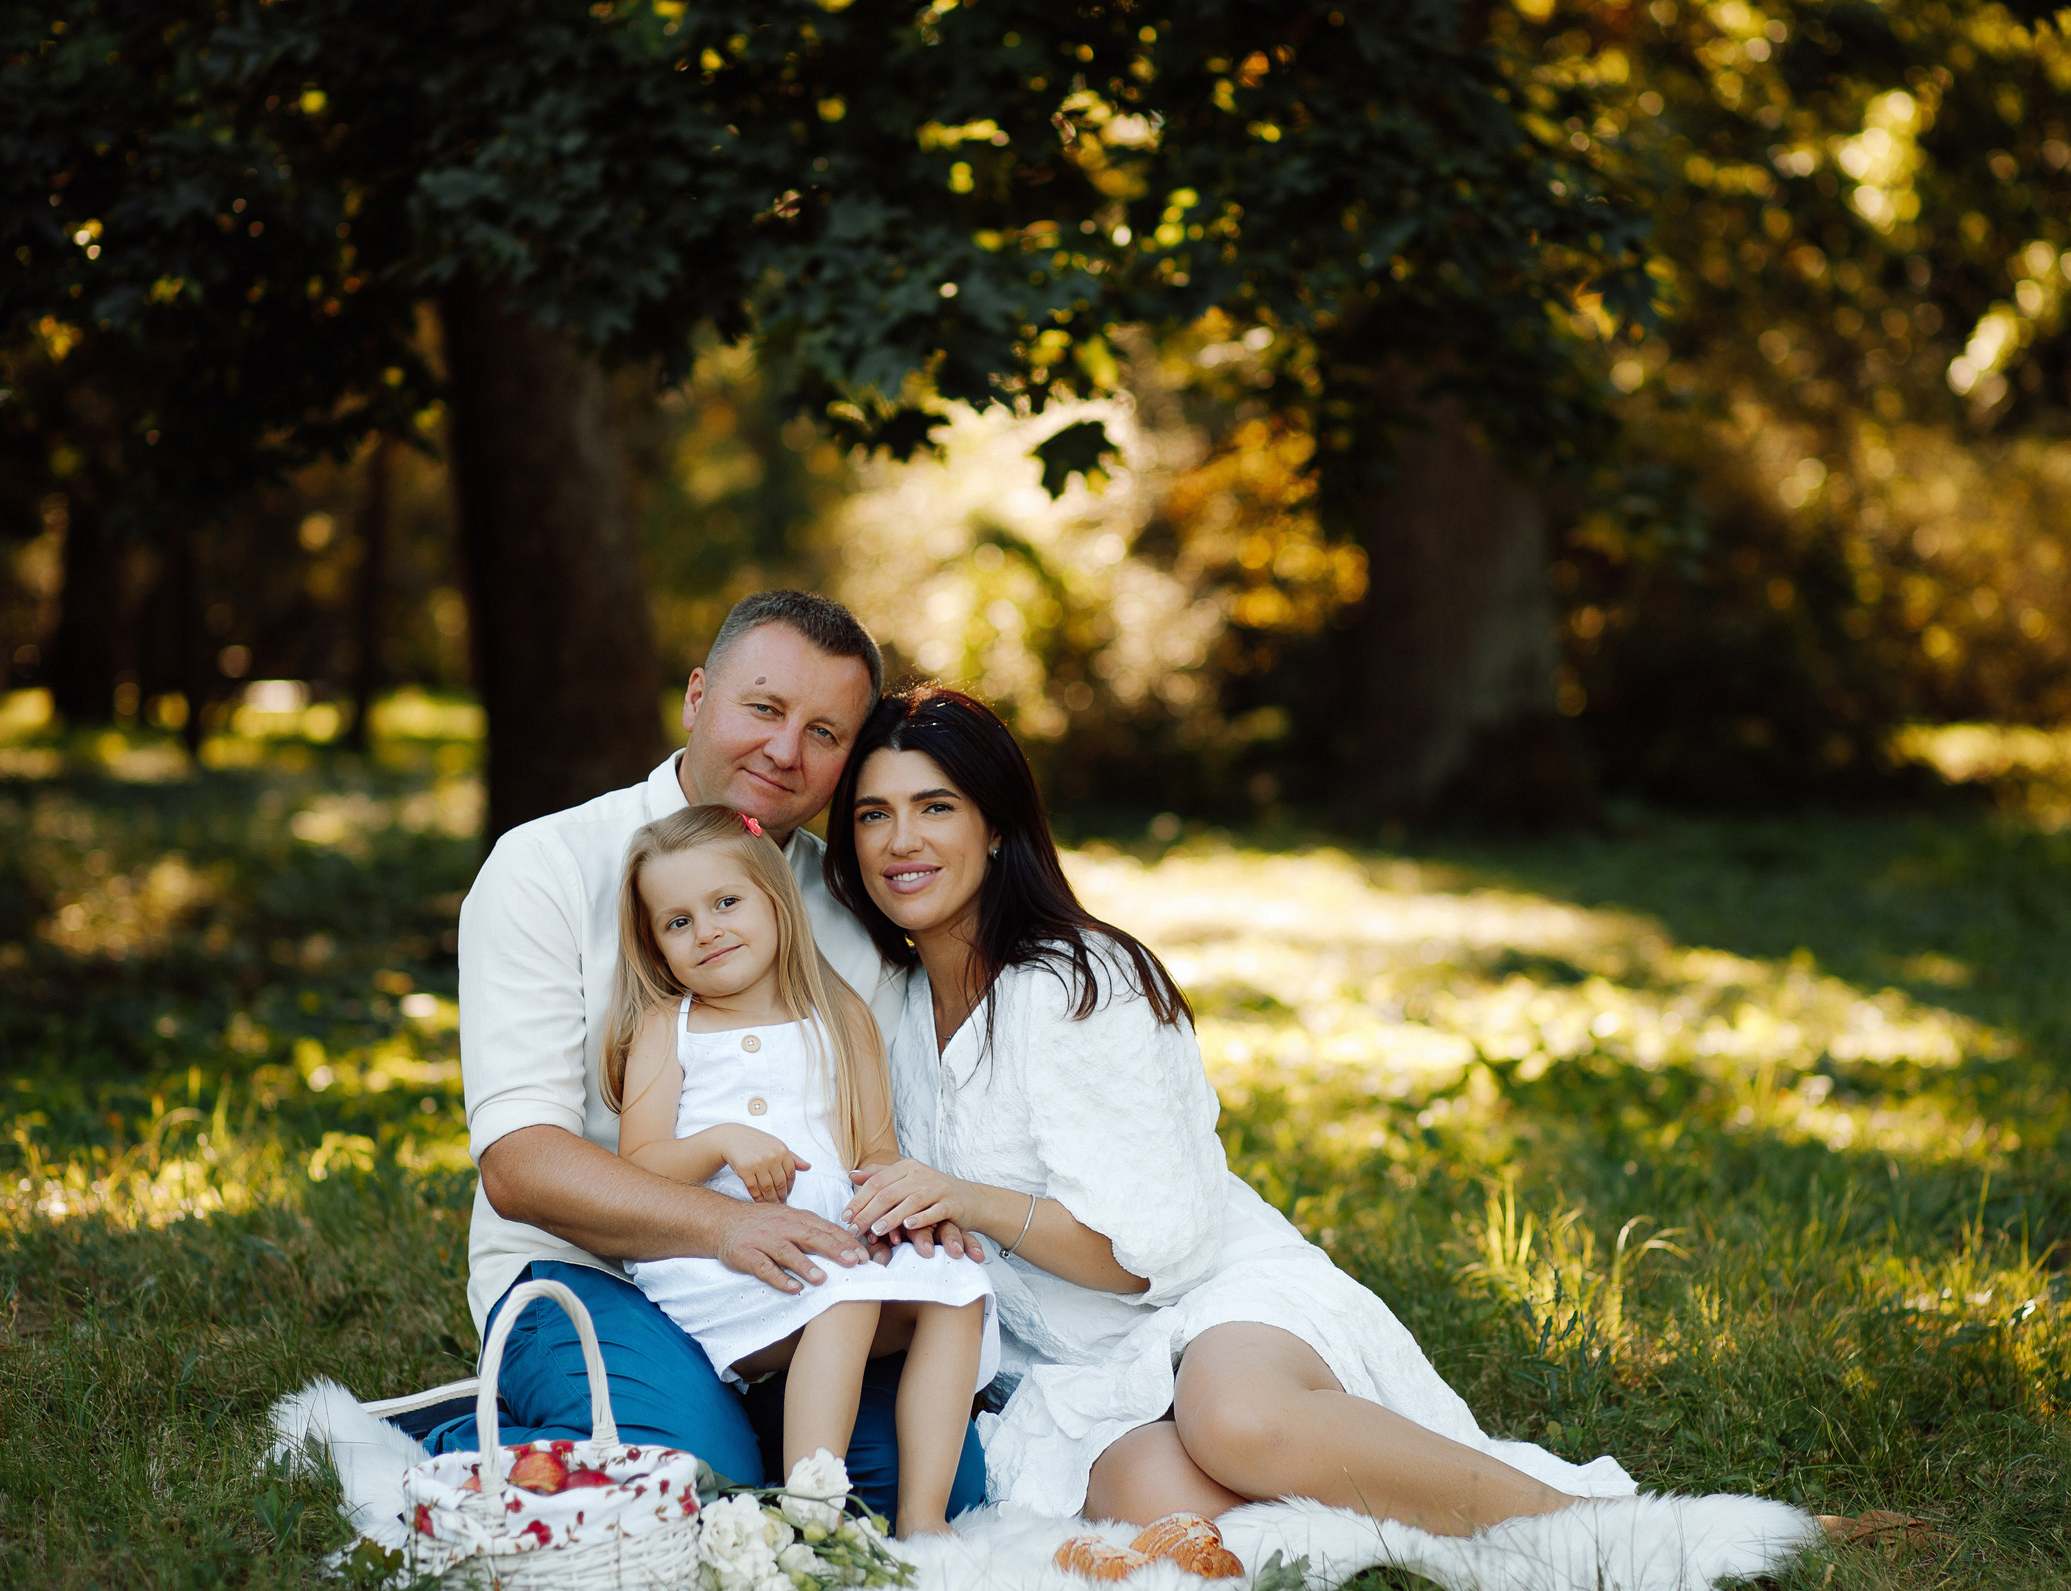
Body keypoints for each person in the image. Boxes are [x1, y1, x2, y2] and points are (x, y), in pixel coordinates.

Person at [827, 684, 1642, 1538]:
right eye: (873, 814)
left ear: (996, 826)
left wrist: (962, 1197)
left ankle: (1581, 1526)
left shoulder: (1080, 985)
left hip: (1212, 1295)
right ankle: (1404, 1509)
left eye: (935, 806)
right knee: (1152, 1496)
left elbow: (1150, 1255)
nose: (902, 840)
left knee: (1236, 1420)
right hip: (1079, 1363)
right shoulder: (890, 1014)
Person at [438, 591, 989, 1524]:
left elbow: (878, 1118)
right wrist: (723, 1225)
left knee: (926, 1488)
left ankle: (728, 1422)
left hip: (806, 1282)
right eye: (763, 709)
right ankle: (465, 1442)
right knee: (696, 1482)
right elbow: (520, 1166)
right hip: (590, 1272)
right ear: (698, 697)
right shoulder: (547, 864)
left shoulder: (851, 914)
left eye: (824, 731)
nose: (785, 751)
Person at [609, 804, 992, 1534]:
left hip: (833, 1234)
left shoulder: (839, 1015)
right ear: (656, 946)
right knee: (839, 1292)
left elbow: (872, 1151)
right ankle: (809, 1510)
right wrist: (723, 1139)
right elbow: (642, 1165)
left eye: (726, 902)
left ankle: (924, 1518)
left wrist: (901, 1210)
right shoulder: (670, 1024)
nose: (708, 928)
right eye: (677, 921)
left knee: (960, 1286)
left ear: (776, 900)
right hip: (716, 1257)